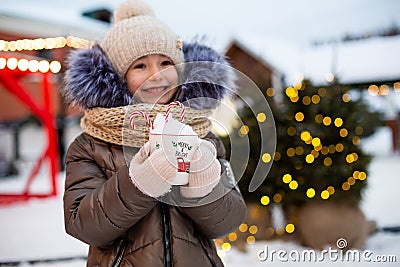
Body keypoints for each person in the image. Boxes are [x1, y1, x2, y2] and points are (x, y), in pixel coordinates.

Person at [62, 0, 247, 266]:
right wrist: (139, 183)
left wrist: (203, 184)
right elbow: (82, 224)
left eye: (165, 63)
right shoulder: (91, 144)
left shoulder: (202, 135)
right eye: (140, 66)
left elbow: (228, 221)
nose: (156, 76)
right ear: (116, 76)